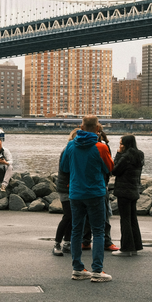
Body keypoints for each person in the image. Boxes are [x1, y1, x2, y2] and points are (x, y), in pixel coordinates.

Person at [59, 114, 114, 282]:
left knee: (77, 230)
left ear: (81, 128)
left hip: (75, 193)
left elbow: (64, 167)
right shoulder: (101, 147)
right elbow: (109, 168)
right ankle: (97, 270)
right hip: (95, 193)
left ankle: (77, 269)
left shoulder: (70, 145)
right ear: (97, 128)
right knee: (98, 231)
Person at [82, 124, 119, 252]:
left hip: (94, 184)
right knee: (102, 215)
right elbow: (109, 167)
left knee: (96, 215)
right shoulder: (100, 146)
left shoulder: (101, 146)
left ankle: (89, 241)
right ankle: (101, 241)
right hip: (99, 185)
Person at [111, 134, 145, 256]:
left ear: (126, 144)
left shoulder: (125, 156)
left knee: (125, 220)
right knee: (133, 219)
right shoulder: (140, 155)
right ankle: (135, 246)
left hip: (123, 191)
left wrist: (118, 154)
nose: (120, 146)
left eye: (121, 143)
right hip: (134, 189)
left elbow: (114, 170)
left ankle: (126, 248)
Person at [53, 129, 77, 256]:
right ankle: (57, 243)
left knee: (72, 216)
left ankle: (67, 242)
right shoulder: (68, 150)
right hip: (66, 187)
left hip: (71, 186)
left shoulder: (71, 150)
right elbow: (65, 168)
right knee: (68, 215)